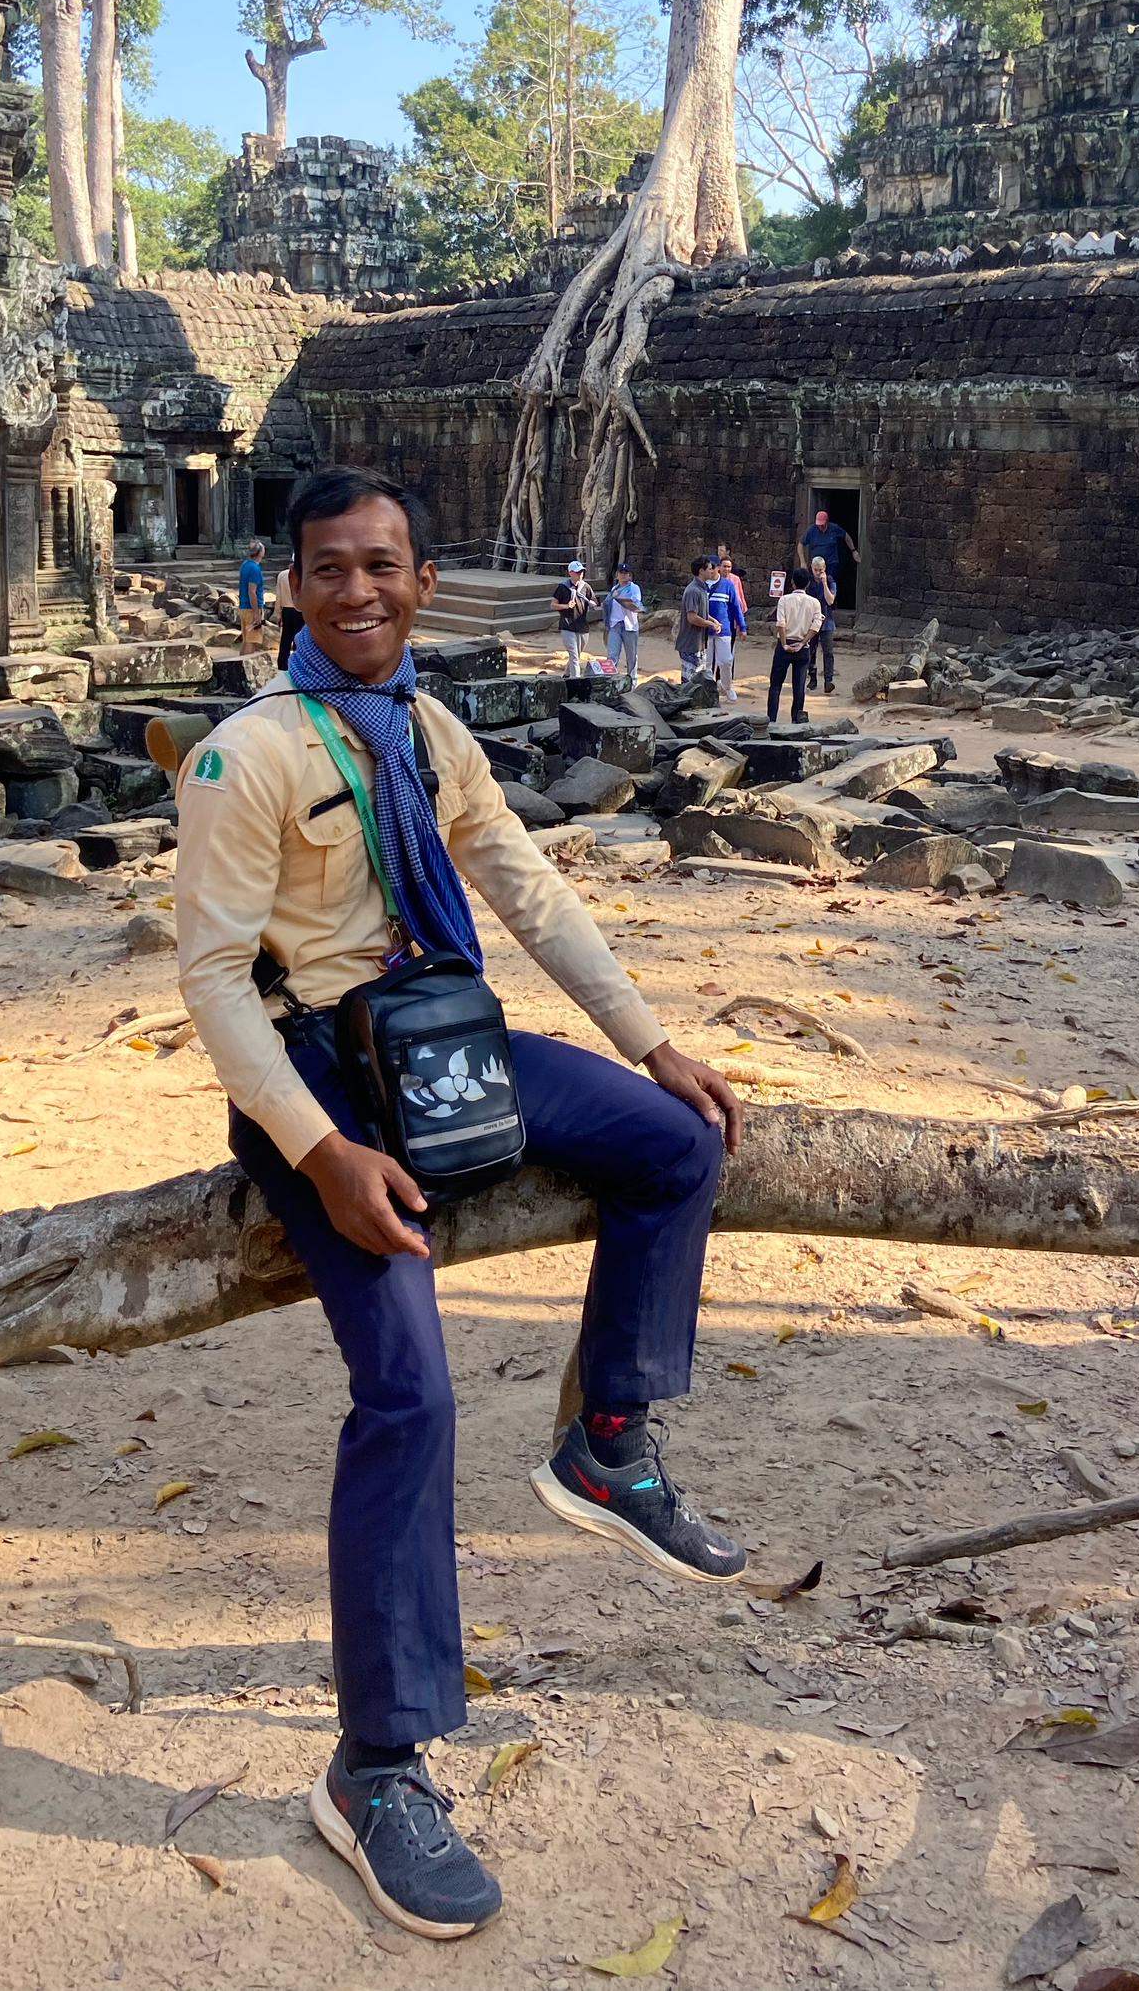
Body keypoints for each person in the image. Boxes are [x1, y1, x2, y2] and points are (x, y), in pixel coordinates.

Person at [176, 466, 745, 1942]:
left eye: (379, 566)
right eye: (324, 571)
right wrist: (316, 1154)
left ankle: (607, 1441)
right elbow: (211, 982)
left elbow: (528, 891)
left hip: (445, 1044)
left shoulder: (430, 733)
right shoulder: (245, 756)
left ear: (420, 579)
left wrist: (647, 1039)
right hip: (317, 1080)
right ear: (285, 589)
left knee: (676, 1145)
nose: (354, 593)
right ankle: (374, 1768)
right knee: (409, 1398)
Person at [769, 571, 823, 726]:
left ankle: (771, 720)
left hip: (784, 645)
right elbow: (816, 625)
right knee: (799, 687)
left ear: (792, 582)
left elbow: (781, 623)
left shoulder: (784, 600)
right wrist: (803, 642)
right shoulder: (814, 602)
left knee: (776, 685)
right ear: (808, 584)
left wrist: (785, 643)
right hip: (802, 646)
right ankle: (796, 721)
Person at [702, 562, 745, 701]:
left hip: (724, 629)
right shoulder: (701, 585)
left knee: (726, 660)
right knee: (706, 663)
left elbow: (735, 608)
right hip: (704, 630)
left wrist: (742, 627)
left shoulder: (728, 585)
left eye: (711, 568)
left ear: (717, 569)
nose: (709, 571)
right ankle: (708, 690)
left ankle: (727, 687)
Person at [551, 558, 598, 675]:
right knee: (574, 654)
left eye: (581, 572)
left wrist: (592, 603)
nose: (580, 574)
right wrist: (566, 606)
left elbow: (594, 601)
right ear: (570, 573)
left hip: (582, 626)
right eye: (577, 572)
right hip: (567, 625)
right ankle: (575, 679)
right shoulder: (563, 587)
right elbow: (553, 605)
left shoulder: (586, 587)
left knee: (576, 654)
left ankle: (567, 675)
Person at [675, 555, 718, 681]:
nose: (712, 571)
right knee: (690, 683)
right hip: (690, 644)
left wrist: (713, 621)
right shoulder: (693, 591)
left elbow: (701, 613)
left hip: (698, 643)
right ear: (701, 571)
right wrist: (710, 625)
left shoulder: (702, 589)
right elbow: (692, 618)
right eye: (709, 569)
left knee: (697, 681)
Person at [607, 560, 643, 688]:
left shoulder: (634, 588)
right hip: (615, 624)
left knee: (631, 656)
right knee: (612, 655)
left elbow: (635, 606)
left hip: (630, 625)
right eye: (621, 573)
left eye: (625, 573)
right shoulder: (614, 589)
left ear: (629, 575)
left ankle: (632, 682)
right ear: (617, 575)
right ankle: (610, 681)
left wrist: (619, 597)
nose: (623, 575)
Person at [805, 553, 837, 696]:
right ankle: (812, 677)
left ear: (824, 568)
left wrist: (824, 583)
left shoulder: (830, 581)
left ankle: (828, 680)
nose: (818, 573)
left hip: (827, 622)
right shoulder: (808, 582)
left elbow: (830, 600)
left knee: (828, 652)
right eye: (815, 570)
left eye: (820, 570)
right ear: (811, 568)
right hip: (812, 622)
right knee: (811, 650)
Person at [237, 539, 267, 645]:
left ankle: (241, 661)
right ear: (260, 552)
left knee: (246, 641)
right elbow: (252, 591)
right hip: (251, 608)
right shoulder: (255, 569)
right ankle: (247, 661)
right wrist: (256, 613)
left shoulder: (245, 565)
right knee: (251, 642)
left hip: (243, 606)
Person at [273, 562, 302, 669]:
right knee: (299, 638)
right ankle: (297, 663)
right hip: (299, 610)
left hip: (286, 609)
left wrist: (277, 614)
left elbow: (278, 596)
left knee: (286, 638)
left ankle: (282, 664)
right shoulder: (301, 574)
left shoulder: (282, 575)